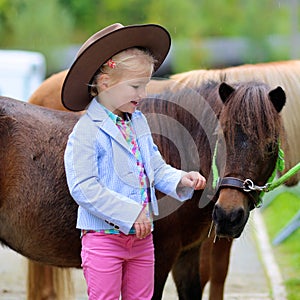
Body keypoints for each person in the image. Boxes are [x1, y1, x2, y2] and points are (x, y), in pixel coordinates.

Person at [62, 23, 206, 300]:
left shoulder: (137, 122)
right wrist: (130, 213)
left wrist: (179, 178)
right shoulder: (87, 131)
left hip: (141, 240)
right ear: (106, 84)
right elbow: (84, 187)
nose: (143, 95)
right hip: (103, 240)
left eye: (145, 86)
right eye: (136, 86)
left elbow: (154, 166)